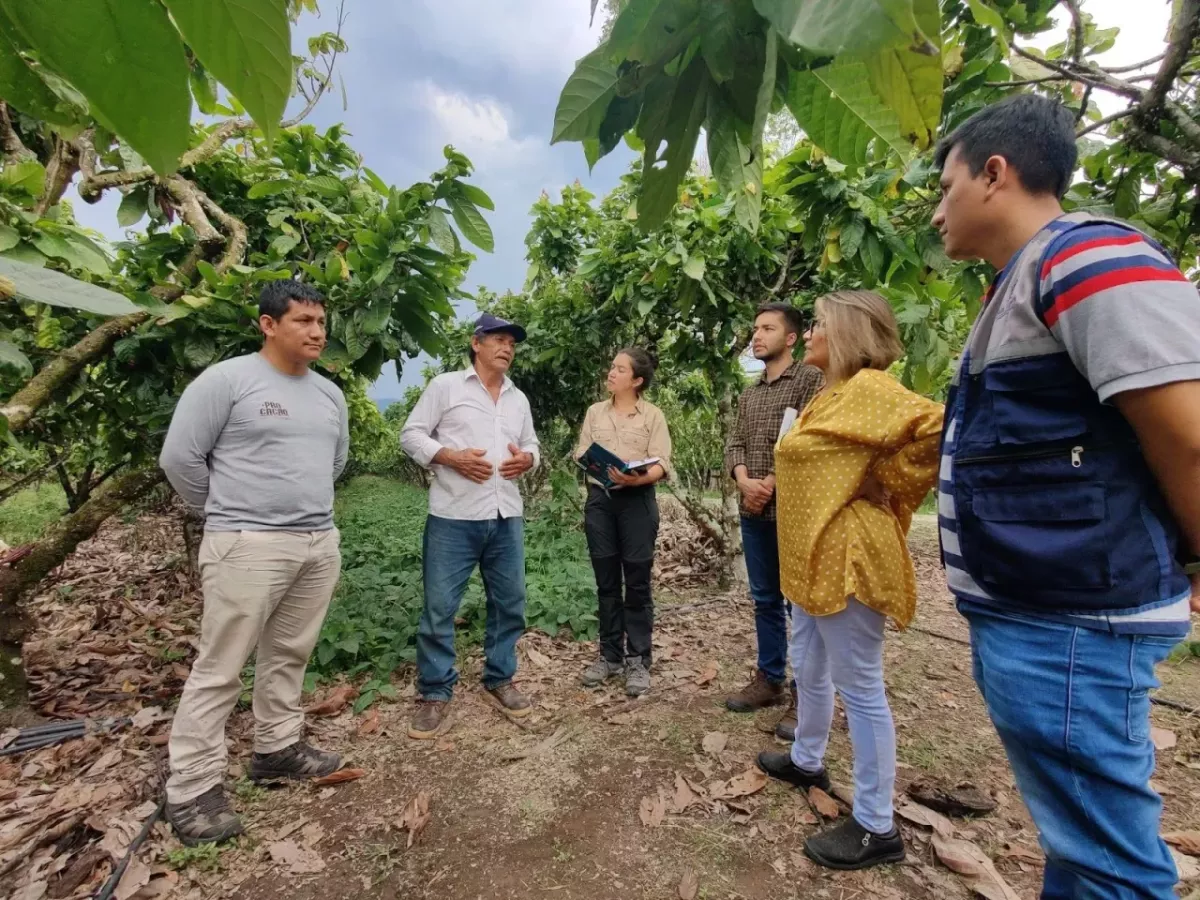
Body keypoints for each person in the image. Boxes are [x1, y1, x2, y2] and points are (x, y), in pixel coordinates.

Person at [932, 94, 1200, 898]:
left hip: (1076, 622)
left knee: (1110, 862)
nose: (937, 211)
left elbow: (1186, 432)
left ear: (995, 173)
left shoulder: (1085, 257)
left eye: (945, 188)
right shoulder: (1019, 284)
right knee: (1081, 840)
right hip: (1047, 614)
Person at [756, 291, 943, 870]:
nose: (809, 333)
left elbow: (937, 427)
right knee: (809, 662)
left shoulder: (871, 388)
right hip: (813, 556)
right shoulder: (830, 392)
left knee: (859, 686)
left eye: (816, 324)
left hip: (848, 554)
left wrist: (883, 480)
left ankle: (876, 825)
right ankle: (808, 757)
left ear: (845, 334)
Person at [158, 280, 349, 846]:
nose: (317, 332)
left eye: (321, 322)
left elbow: (333, 461)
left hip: (315, 542)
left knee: (290, 651)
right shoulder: (227, 381)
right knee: (221, 666)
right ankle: (191, 789)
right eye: (303, 321)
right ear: (268, 324)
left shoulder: (329, 394)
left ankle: (277, 748)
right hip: (247, 544)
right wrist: (227, 512)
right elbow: (180, 458)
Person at [400, 313, 540, 739]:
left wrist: (529, 459)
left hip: (505, 516)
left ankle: (500, 677)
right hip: (453, 517)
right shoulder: (445, 387)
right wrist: (450, 457)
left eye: (512, 342)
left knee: (510, 600)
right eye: (498, 339)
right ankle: (435, 691)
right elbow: (410, 434)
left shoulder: (518, 398)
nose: (507, 347)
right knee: (441, 607)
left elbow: (532, 443)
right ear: (475, 343)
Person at [724, 303, 824, 740]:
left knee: (798, 604)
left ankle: (808, 694)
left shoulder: (809, 380)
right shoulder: (750, 393)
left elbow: (809, 437)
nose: (757, 335)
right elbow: (734, 444)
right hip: (755, 509)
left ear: (790, 338)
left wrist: (772, 481)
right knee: (764, 597)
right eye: (755, 328)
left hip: (795, 509)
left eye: (767, 328)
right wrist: (746, 481)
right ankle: (770, 678)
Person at [574, 348, 672, 696]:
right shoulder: (594, 412)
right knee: (606, 583)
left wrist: (638, 478)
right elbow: (582, 452)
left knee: (638, 583)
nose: (611, 373)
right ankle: (610, 655)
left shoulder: (653, 416)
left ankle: (638, 659)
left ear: (637, 380)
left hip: (637, 502)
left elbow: (661, 463)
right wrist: (595, 464)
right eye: (611, 366)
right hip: (600, 502)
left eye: (619, 369)